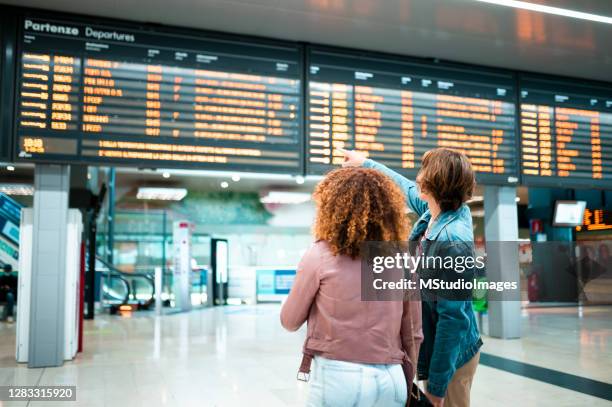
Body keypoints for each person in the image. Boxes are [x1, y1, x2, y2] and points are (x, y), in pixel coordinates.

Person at [341, 148, 482, 407]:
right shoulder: (438, 211)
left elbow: (453, 322)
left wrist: (437, 389)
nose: (417, 177)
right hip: (436, 347)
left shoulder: (454, 242)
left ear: (434, 184)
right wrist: (366, 163)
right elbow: (405, 188)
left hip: (453, 359)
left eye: (423, 171)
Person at [281, 167, 423, 407]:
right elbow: (413, 332)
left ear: (332, 207)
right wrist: (408, 379)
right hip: (393, 378)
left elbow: (289, 320)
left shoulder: (320, 254)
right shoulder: (400, 259)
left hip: (339, 377)